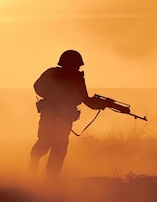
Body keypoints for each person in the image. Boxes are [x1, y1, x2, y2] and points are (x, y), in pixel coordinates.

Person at [29, 50, 107, 179]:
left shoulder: (77, 78)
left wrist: (102, 104)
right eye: (75, 65)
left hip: (64, 119)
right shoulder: (53, 73)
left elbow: (85, 99)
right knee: (45, 144)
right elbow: (38, 87)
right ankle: (32, 172)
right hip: (50, 116)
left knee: (59, 149)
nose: (77, 68)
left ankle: (50, 180)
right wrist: (57, 95)